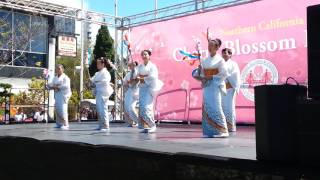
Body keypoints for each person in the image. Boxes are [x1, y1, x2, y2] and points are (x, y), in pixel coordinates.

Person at [192, 38, 229, 138]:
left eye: (211, 45)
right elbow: (201, 75)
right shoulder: (205, 60)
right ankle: (209, 131)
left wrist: (212, 76)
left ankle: (222, 130)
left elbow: (224, 74)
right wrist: (199, 71)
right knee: (207, 107)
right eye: (208, 45)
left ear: (217, 47)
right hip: (207, 86)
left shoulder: (220, 60)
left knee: (216, 107)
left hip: (215, 86)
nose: (209, 47)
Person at [136, 50, 163, 133]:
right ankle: (146, 126)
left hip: (148, 88)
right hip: (142, 88)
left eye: (145, 54)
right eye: (142, 54)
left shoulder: (152, 66)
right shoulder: (140, 66)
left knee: (146, 107)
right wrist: (140, 77)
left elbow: (153, 77)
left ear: (149, 55)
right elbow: (136, 75)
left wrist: (142, 78)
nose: (144, 56)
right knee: (142, 107)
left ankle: (152, 125)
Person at [90, 57, 114, 131]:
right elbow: (93, 80)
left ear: (103, 64)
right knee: (99, 109)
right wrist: (90, 82)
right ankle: (101, 124)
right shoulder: (97, 73)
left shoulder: (106, 73)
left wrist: (95, 83)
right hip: (99, 92)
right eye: (97, 63)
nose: (97, 65)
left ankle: (105, 126)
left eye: (99, 63)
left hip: (104, 92)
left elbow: (105, 82)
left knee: (103, 109)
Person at [221, 48, 241, 132]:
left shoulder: (233, 64)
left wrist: (229, 82)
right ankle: (223, 125)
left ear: (230, 55)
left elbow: (235, 75)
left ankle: (231, 126)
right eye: (223, 53)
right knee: (222, 107)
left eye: (226, 53)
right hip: (221, 88)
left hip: (229, 87)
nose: (224, 54)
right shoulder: (220, 64)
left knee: (229, 107)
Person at [47, 64, 72, 130]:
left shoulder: (65, 77)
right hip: (57, 95)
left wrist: (57, 86)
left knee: (63, 109)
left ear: (62, 69)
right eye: (57, 69)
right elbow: (51, 84)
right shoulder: (55, 77)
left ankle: (65, 124)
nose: (57, 70)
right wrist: (48, 85)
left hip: (63, 95)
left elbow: (67, 86)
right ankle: (59, 123)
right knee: (57, 109)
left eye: (59, 69)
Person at [123, 61, 139, 127]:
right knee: (127, 108)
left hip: (136, 91)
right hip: (129, 91)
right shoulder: (128, 74)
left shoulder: (138, 72)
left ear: (135, 65)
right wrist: (126, 84)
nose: (131, 66)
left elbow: (136, 81)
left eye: (132, 65)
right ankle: (131, 122)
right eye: (130, 65)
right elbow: (125, 82)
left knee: (131, 108)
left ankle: (138, 121)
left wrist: (133, 80)